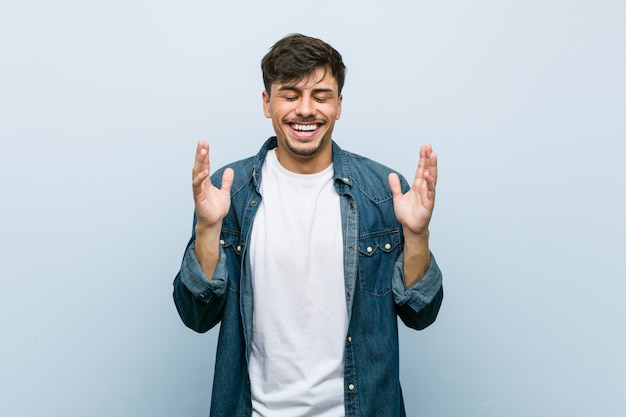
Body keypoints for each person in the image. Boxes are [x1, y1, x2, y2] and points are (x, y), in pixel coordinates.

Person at [173, 33, 443, 417]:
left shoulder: (385, 194)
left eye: (320, 96)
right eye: (289, 94)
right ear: (267, 103)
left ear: (338, 105)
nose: (305, 110)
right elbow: (195, 316)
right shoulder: (226, 194)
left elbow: (421, 314)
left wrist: (417, 236)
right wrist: (206, 230)